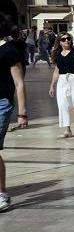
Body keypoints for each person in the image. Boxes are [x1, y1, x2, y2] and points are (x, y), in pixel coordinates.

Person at [0, 22, 29, 212]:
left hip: (2, 103)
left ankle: (2, 194)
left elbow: (19, 83)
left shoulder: (9, 51)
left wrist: (22, 112)